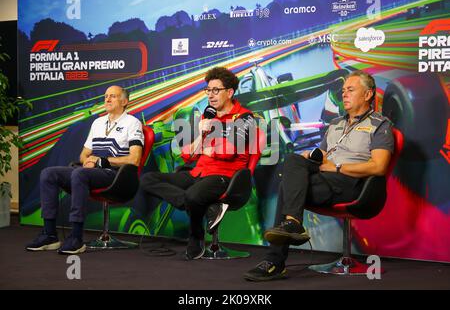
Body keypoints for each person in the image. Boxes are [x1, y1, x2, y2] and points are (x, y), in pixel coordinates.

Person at [244, 70, 394, 281]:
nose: (344, 94)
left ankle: (275, 261)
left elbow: (378, 167)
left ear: (368, 94)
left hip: (353, 183)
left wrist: (337, 168)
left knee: (287, 187)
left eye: (350, 90)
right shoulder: (336, 124)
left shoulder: (380, 125)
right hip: (326, 176)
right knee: (294, 161)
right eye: (343, 91)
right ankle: (293, 222)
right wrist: (311, 157)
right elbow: (323, 155)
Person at [138, 67, 255, 260]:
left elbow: (229, 152)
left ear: (230, 92)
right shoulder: (207, 117)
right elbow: (188, 156)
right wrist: (201, 135)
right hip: (198, 173)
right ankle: (208, 208)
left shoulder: (244, 118)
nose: (210, 95)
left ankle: (196, 236)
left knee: (194, 195)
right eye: (208, 90)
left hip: (226, 177)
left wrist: (208, 149)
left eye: (215, 90)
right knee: (148, 179)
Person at [25, 85, 144, 254]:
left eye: (113, 96)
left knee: (80, 173)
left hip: (116, 176)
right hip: (93, 172)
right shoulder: (98, 122)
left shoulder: (132, 123)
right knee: (49, 174)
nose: (107, 99)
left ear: (125, 101)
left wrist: (100, 162)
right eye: (105, 96)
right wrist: (88, 161)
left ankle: (76, 237)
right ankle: (50, 234)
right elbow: (84, 155)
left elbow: (134, 159)